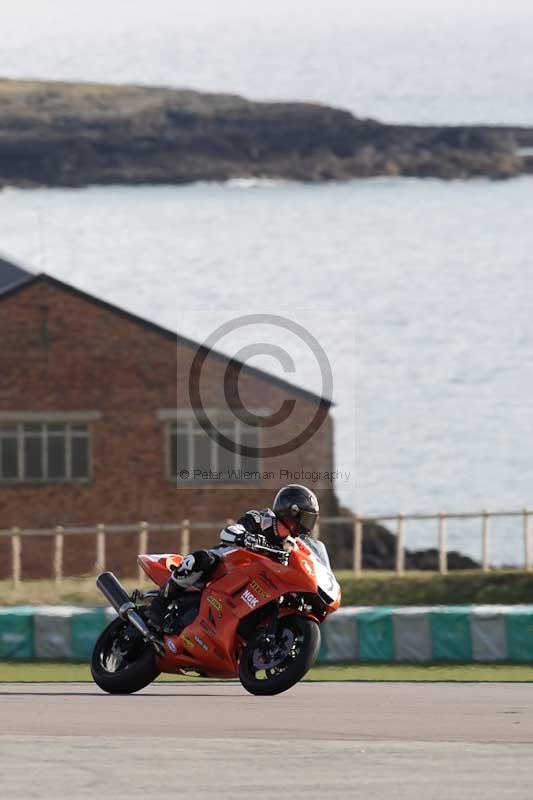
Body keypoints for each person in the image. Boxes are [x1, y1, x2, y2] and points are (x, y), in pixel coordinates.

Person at [148, 484, 319, 629]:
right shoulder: (262, 519)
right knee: (201, 560)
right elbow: (229, 532)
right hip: (228, 563)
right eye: (306, 518)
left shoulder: (293, 544)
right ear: (291, 511)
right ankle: (160, 604)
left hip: (256, 581)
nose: (307, 525)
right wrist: (245, 537)